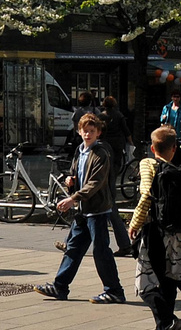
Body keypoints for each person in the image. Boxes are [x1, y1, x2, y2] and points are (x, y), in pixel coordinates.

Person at [35, 112, 126, 304]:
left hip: (98, 209)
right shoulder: (80, 150)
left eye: (92, 131)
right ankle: (60, 287)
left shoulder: (101, 153)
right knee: (73, 249)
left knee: (101, 251)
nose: (88, 134)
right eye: (85, 131)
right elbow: (77, 173)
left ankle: (114, 291)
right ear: (79, 131)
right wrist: (71, 180)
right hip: (83, 211)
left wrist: (72, 199)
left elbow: (95, 182)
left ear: (98, 133)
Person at [128, 124, 181, 330]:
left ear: (152, 148)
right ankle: (166, 326)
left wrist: (134, 223)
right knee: (169, 281)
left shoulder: (148, 164)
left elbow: (146, 195)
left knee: (145, 285)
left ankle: (169, 322)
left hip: (155, 231)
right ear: (174, 147)